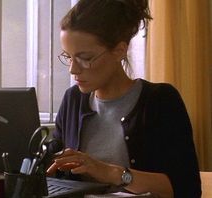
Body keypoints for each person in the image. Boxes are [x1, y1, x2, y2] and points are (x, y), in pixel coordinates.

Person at [47, 0, 201, 197]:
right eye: (68, 57)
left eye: (85, 58)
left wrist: (111, 172)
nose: (73, 69)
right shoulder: (73, 100)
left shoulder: (160, 101)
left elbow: (187, 189)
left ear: (119, 51)